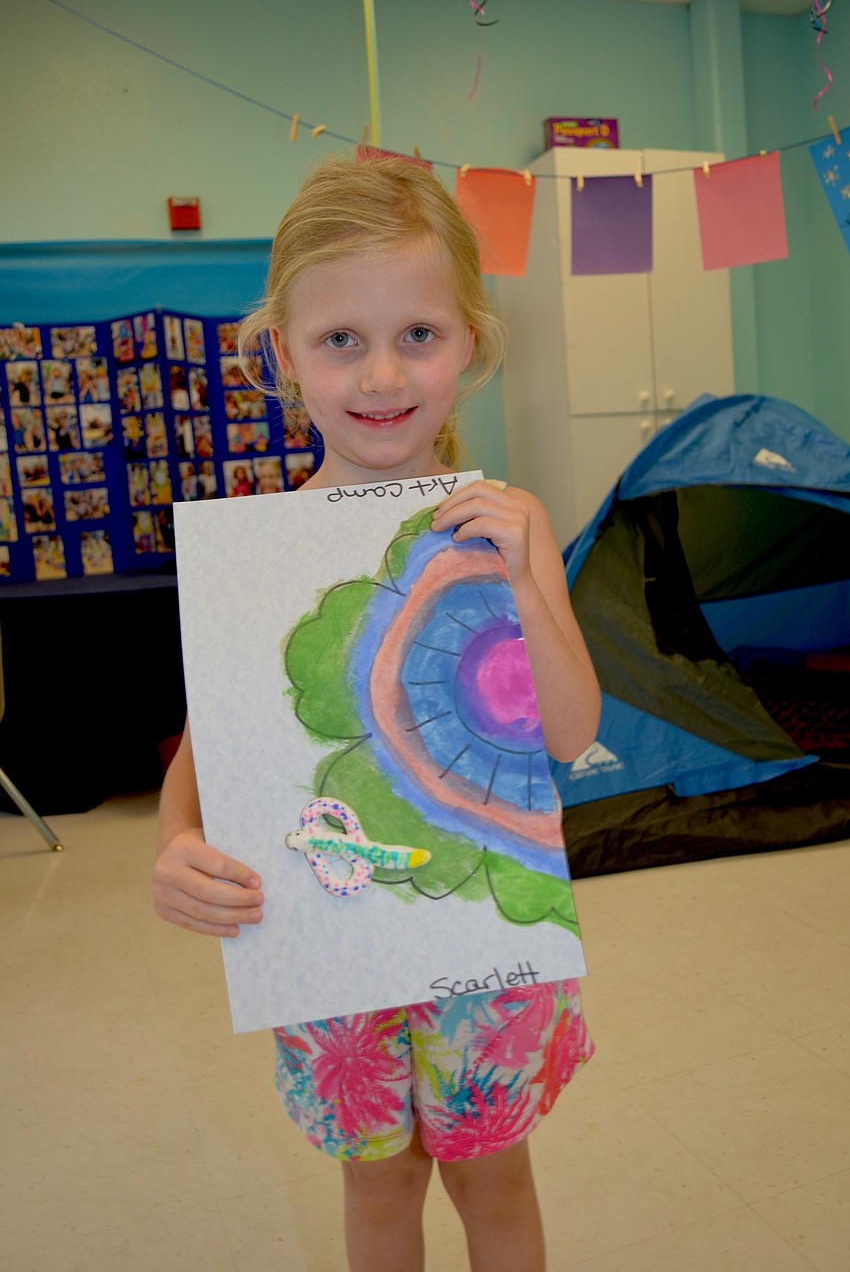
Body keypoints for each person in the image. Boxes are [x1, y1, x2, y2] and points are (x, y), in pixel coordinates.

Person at [153, 154, 601, 1272]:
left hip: (485, 935)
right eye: (340, 339)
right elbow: (211, 754)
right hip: (325, 934)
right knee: (379, 1177)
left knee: (493, 1175)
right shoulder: (258, 555)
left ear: (471, 342)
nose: (381, 373)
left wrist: (526, 586)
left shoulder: (512, 519)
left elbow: (566, 727)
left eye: (418, 333)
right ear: (283, 354)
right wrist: (173, 846)